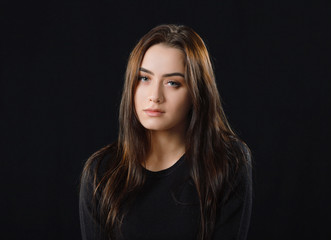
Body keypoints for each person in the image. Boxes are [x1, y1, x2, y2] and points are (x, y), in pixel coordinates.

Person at [79, 24, 252, 240]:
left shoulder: (227, 162)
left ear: (197, 92)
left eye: (172, 83)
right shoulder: (102, 172)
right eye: (144, 78)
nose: (155, 96)